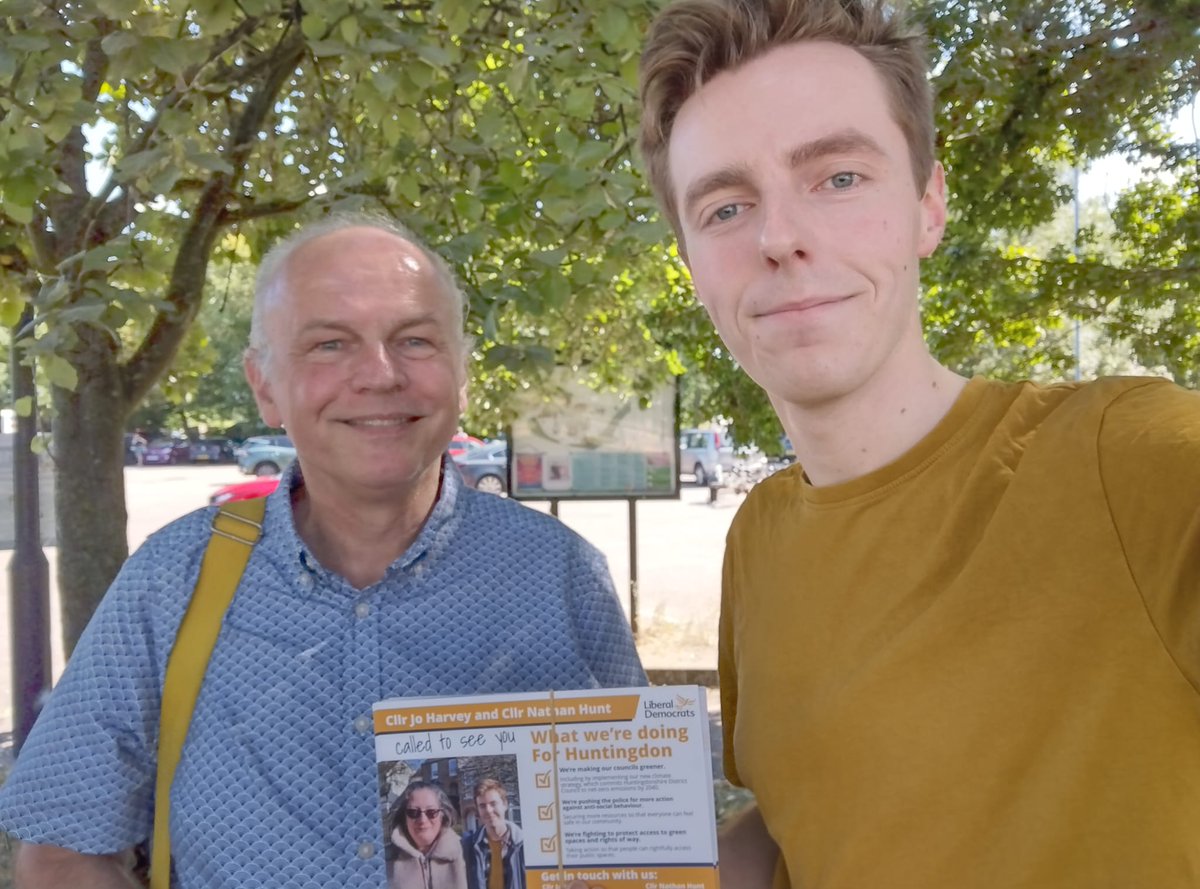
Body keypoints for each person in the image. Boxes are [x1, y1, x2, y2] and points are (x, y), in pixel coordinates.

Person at [636, 1, 1200, 888]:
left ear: (928, 205)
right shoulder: (760, 540)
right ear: (691, 260)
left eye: (839, 178)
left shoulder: (1133, 459)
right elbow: (807, 826)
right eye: (727, 206)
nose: (778, 237)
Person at [0, 215, 647, 887]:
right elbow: (61, 850)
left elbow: (639, 841)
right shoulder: (173, 581)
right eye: (330, 343)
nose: (379, 374)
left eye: (416, 340)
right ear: (264, 385)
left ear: (462, 375)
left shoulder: (559, 576)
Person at [388, 781, 467, 889]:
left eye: (431, 812)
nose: (422, 820)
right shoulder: (384, 859)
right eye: (413, 812)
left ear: (442, 815)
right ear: (404, 817)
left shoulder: (466, 853)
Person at [461, 778, 524, 889]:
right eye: (482, 806)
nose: (488, 810)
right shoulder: (467, 847)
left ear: (505, 805)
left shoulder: (524, 845)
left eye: (493, 804)